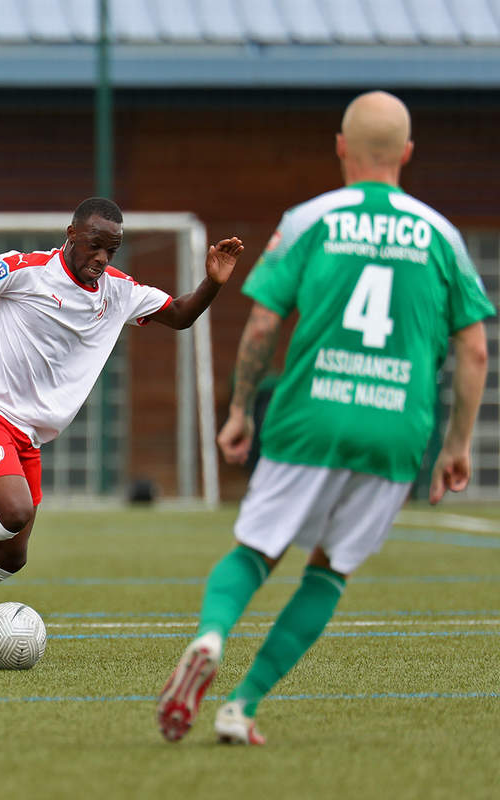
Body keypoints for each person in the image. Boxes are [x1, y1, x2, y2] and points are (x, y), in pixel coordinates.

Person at [156, 91, 494, 746]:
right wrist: (457, 445)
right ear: (408, 154)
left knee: (256, 550)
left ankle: (210, 636)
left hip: (309, 415)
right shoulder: (442, 235)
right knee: (331, 569)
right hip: (397, 427)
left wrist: (237, 408)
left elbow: (262, 322)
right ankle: (242, 707)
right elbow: (474, 348)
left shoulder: (311, 218)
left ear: (341, 147)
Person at [0, 197, 242, 628]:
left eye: (111, 250)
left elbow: (182, 314)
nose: (101, 258)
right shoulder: (25, 269)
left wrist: (213, 282)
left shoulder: (120, 291)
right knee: (14, 512)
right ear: (72, 233)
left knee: (11, 554)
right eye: (94, 245)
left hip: (29, 436)